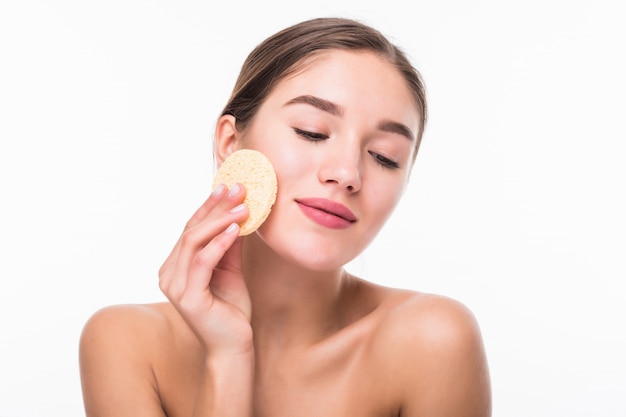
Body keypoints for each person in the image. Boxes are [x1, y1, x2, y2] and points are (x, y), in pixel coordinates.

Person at [79, 17, 491, 416]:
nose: (347, 174)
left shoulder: (432, 341)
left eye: (386, 157)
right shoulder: (125, 343)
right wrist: (227, 358)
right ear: (230, 143)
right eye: (312, 131)